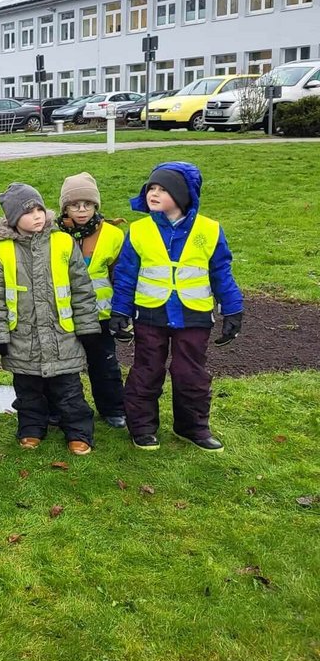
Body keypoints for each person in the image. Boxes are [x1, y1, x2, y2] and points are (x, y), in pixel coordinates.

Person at [109, 162, 243, 452]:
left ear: (182, 196)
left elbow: (221, 272)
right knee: (147, 371)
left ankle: (192, 428)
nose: (153, 194)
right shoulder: (139, 230)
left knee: (190, 373)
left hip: (193, 316)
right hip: (150, 315)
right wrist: (119, 310)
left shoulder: (209, 230)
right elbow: (125, 274)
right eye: (151, 188)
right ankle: (142, 428)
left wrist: (232, 310)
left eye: (163, 189)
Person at [0, 183, 99, 455]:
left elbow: (82, 289)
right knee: (28, 391)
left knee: (69, 389)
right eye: (29, 211)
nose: (37, 215)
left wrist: (87, 328)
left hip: (63, 335)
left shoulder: (62, 242)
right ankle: (31, 428)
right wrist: (0, 336)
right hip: (22, 337)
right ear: (14, 219)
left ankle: (78, 431)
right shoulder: (1, 250)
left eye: (40, 208)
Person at [56, 173, 127, 428]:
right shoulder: (54, 234)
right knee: (62, 366)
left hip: (101, 316)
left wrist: (122, 311)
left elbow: (121, 276)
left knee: (104, 363)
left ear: (96, 205)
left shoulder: (113, 235)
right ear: (65, 208)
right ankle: (58, 410)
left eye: (87, 204)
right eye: (75, 205)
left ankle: (113, 408)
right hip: (64, 313)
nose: (82, 210)